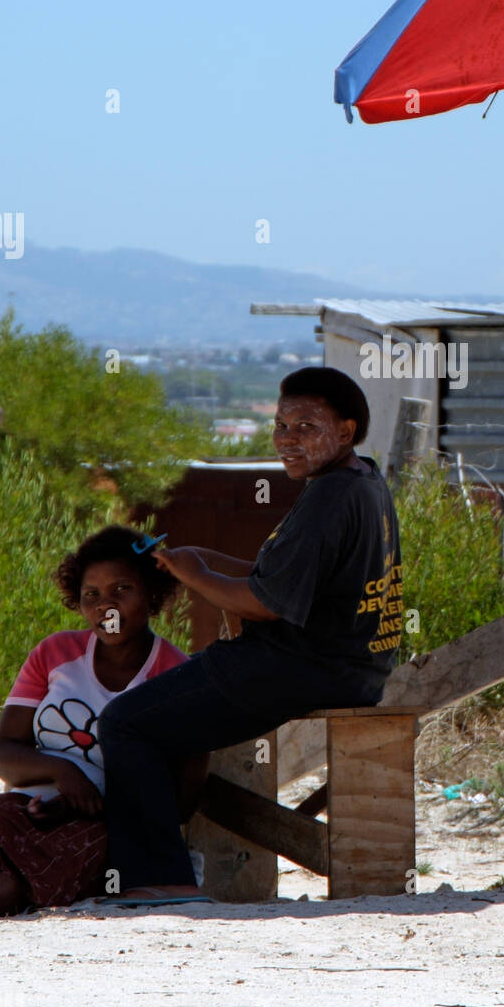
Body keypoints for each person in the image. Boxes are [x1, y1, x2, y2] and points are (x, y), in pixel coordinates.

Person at [99, 366, 403, 895]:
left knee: (125, 723)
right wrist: (207, 559)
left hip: (301, 666)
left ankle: (159, 879)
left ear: (346, 431)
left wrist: (199, 577)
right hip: (353, 666)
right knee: (170, 709)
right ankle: (175, 863)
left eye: (307, 426)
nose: (288, 439)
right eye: (282, 426)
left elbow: (265, 603)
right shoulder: (363, 480)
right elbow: (291, 579)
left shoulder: (329, 497)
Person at [0, 526, 188, 917]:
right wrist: (63, 772)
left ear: (153, 593)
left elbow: (180, 798)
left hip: (110, 824)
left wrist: (89, 805)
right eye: (92, 595)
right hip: (29, 802)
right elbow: (5, 756)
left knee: (53, 862)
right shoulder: (54, 654)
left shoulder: (176, 673)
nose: (106, 607)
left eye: (122, 590)